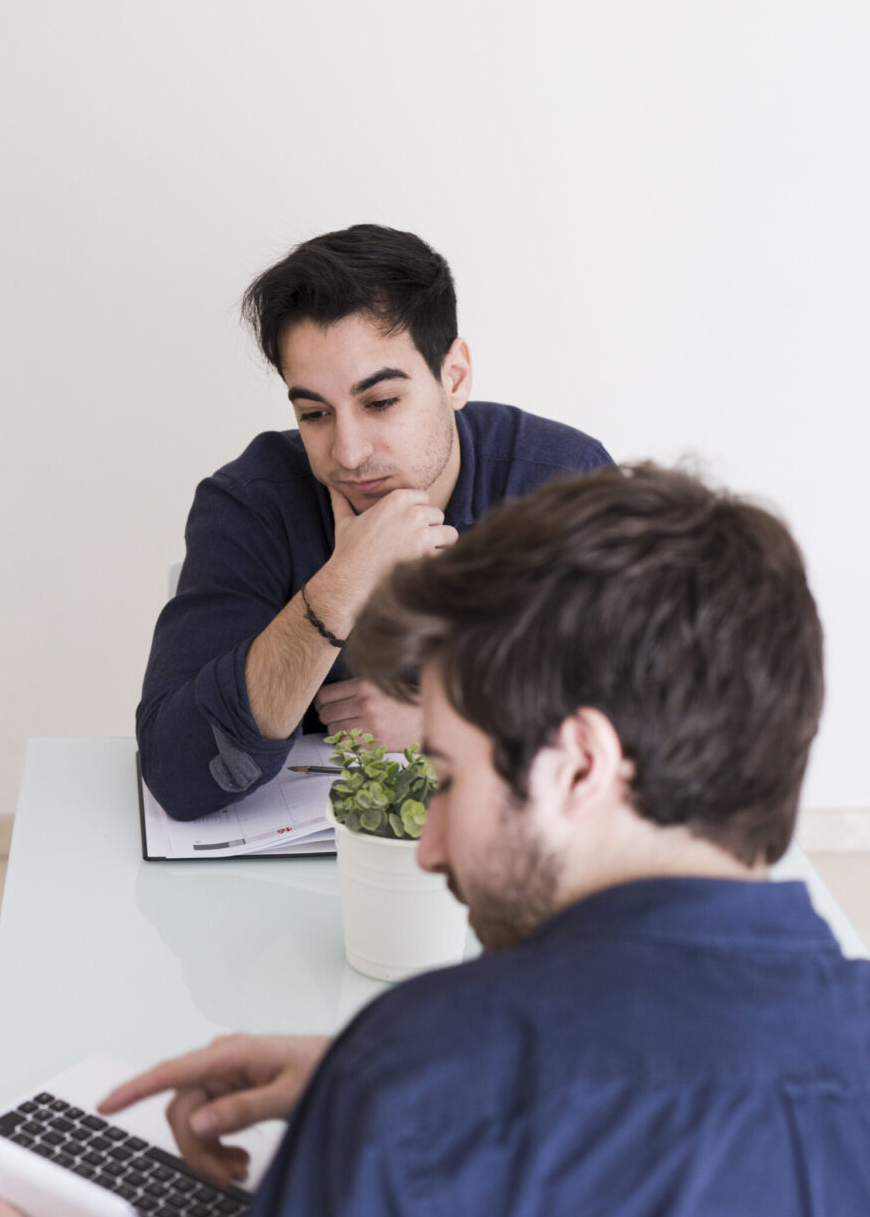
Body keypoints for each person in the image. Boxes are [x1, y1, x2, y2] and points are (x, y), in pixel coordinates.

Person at [0, 463, 870, 1217]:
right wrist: (405, 1088)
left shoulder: (408, 1081)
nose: (431, 849)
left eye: (446, 779)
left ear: (579, 768)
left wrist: (404, 1090)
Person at [137, 223, 610, 819]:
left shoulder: (563, 482)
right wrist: (341, 586)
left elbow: (664, 715)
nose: (349, 453)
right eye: (315, 413)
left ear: (454, 376)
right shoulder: (251, 503)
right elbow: (178, 772)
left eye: (381, 403)